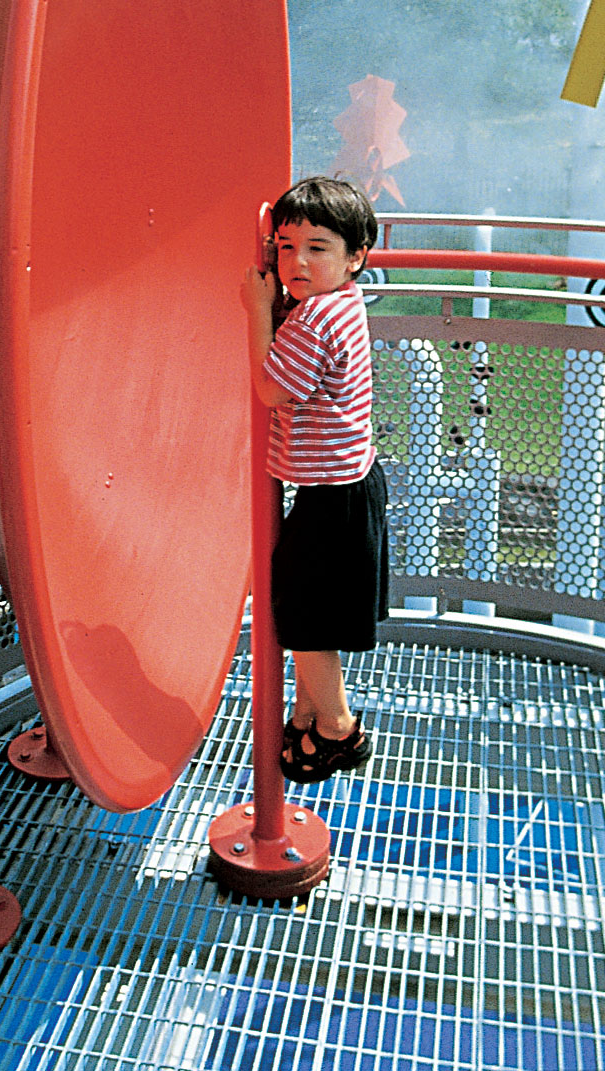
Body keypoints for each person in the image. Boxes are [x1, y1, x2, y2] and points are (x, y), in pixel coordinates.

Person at [240, 175, 388, 784]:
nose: (296, 262)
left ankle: (337, 729)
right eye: (283, 246)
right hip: (346, 486)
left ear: (356, 257)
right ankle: (307, 709)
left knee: (301, 619)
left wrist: (255, 311)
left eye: (317, 248)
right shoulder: (338, 303)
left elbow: (274, 389)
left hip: (331, 499)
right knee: (308, 615)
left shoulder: (313, 320)